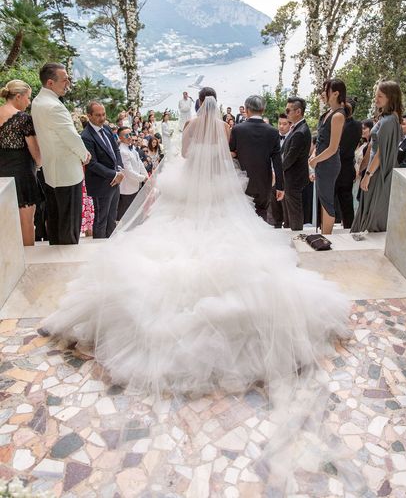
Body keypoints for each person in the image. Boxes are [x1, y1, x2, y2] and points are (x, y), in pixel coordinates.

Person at [44, 88, 348, 411]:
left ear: (199, 103)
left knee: (175, 228)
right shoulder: (224, 127)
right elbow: (227, 154)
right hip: (219, 185)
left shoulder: (190, 126)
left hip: (191, 184)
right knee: (227, 228)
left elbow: (186, 155)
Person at [31, 63, 90, 245]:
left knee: (56, 221)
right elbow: (70, 137)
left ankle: (56, 258)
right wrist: (85, 155)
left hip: (51, 171)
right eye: (64, 80)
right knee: (69, 224)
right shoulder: (54, 106)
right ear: (50, 82)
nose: (68, 84)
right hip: (67, 173)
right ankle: (68, 261)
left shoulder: (37, 101)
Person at [351, 81, 402, 233]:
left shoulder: (389, 121)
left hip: (377, 171)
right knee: (369, 207)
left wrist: (367, 175)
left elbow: (380, 153)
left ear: (390, 98)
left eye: (380, 96)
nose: (376, 99)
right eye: (376, 96)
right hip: (376, 169)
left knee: (373, 209)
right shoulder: (390, 118)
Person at [229, 95, 284, 221]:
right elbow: (277, 161)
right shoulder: (273, 132)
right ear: (263, 110)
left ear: (247, 110)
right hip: (264, 182)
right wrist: (280, 186)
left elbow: (231, 152)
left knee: (243, 217)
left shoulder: (237, 129)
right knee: (262, 214)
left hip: (242, 181)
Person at [0, 80, 41, 245]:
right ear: (18, 96)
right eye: (28, 98)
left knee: (5, 224)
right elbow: (36, 152)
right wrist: (39, 164)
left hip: (1, 177)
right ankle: (29, 263)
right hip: (22, 176)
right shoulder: (23, 119)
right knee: (27, 224)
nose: (29, 102)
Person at [81, 101, 124, 238]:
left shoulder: (106, 129)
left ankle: (111, 248)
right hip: (100, 184)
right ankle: (98, 249)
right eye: (98, 115)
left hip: (115, 181)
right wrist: (114, 174)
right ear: (89, 115)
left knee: (112, 219)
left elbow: (115, 150)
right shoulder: (86, 136)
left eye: (103, 114)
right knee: (101, 220)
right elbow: (92, 164)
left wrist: (119, 169)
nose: (102, 117)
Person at [309, 79, 346, 235]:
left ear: (336, 93)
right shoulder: (328, 113)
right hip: (321, 162)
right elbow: (321, 140)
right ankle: (324, 234)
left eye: (326, 90)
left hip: (329, 164)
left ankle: (327, 237)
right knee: (323, 200)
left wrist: (316, 160)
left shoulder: (338, 116)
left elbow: (332, 147)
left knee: (327, 202)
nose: (323, 93)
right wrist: (313, 154)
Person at [281, 96, 312, 230]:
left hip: (294, 178)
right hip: (293, 177)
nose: (286, 113)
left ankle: (296, 236)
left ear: (298, 111)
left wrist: (277, 170)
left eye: (288, 110)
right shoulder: (298, 128)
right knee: (291, 211)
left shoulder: (301, 131)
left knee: (295, 212)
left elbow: (290, 158)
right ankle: (293, 234)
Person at [334, 97, 362, 229]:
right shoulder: (357, 125)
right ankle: (348, 227)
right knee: (346, 201)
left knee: (334, 200)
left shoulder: (342, 124)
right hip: (347, 167)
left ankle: (335, 226)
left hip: (338, 166)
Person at [116, 126, 148, 221]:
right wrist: (143, 178)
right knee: (127, 216)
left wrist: (146, 175)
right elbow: (129, 172)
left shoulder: (132, 148)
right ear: (120, 138)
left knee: (136, 214)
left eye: (131, 134)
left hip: (135, 185)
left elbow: (140, 164)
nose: (130, 136)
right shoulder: (122, 151)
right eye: (126, 135)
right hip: (127, 188)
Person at [270, 112, 291, 228]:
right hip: (273, 175)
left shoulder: (293, 136)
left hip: (287, 176)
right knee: (274, 206)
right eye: (279, 123)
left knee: (286, 207)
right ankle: (276, 226)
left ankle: (288, 227)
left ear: (290, 125)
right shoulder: (272, 136)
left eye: (284, 124)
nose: (281, 126)